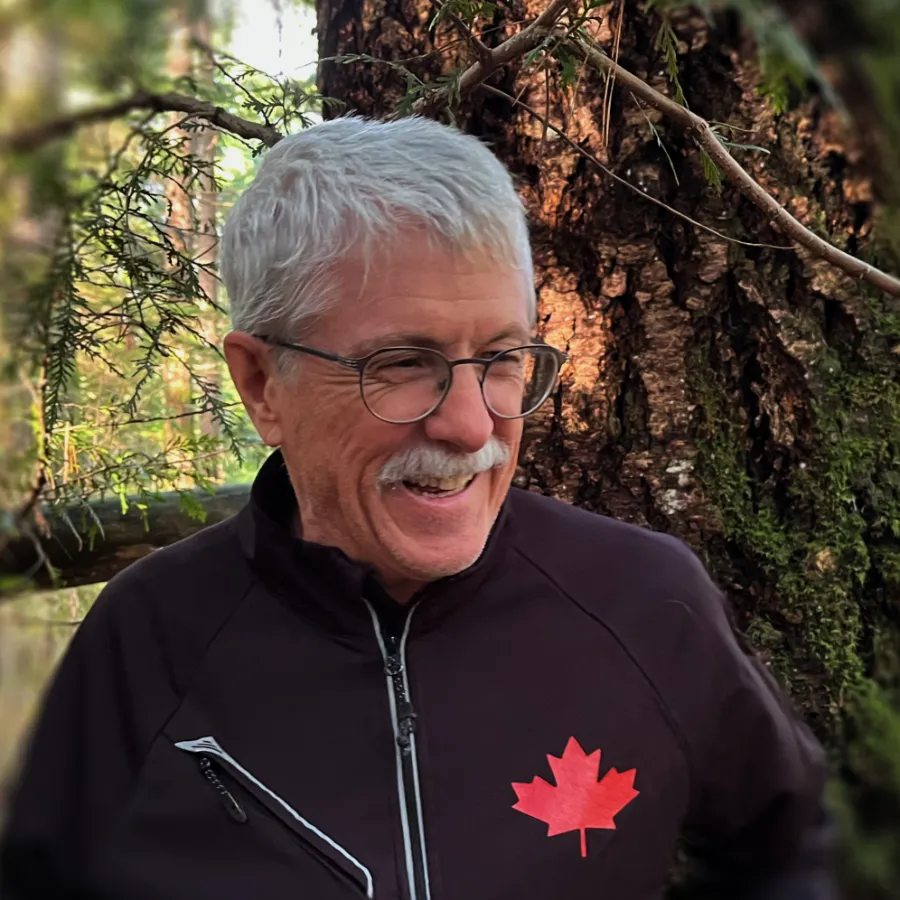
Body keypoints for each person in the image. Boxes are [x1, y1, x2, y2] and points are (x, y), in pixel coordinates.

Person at [0, 115, 837, 900]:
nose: (473, 425)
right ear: (262, 385)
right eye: (401, 363)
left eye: (502, 357)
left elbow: (800, 853)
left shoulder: (644, 602)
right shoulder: (150, 638)